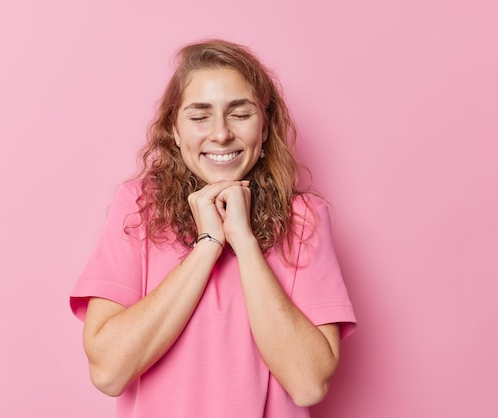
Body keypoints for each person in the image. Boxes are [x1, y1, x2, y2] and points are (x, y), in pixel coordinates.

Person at [69, 38, 356, 417]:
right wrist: (209, 243)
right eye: (200, 116)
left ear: (266, 126)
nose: (220, 134)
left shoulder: (305, 219)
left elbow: (308, 383)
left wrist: (243, 240)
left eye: (239, 113)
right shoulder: (139, 207)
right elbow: (108, 372)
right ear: (174, 129)